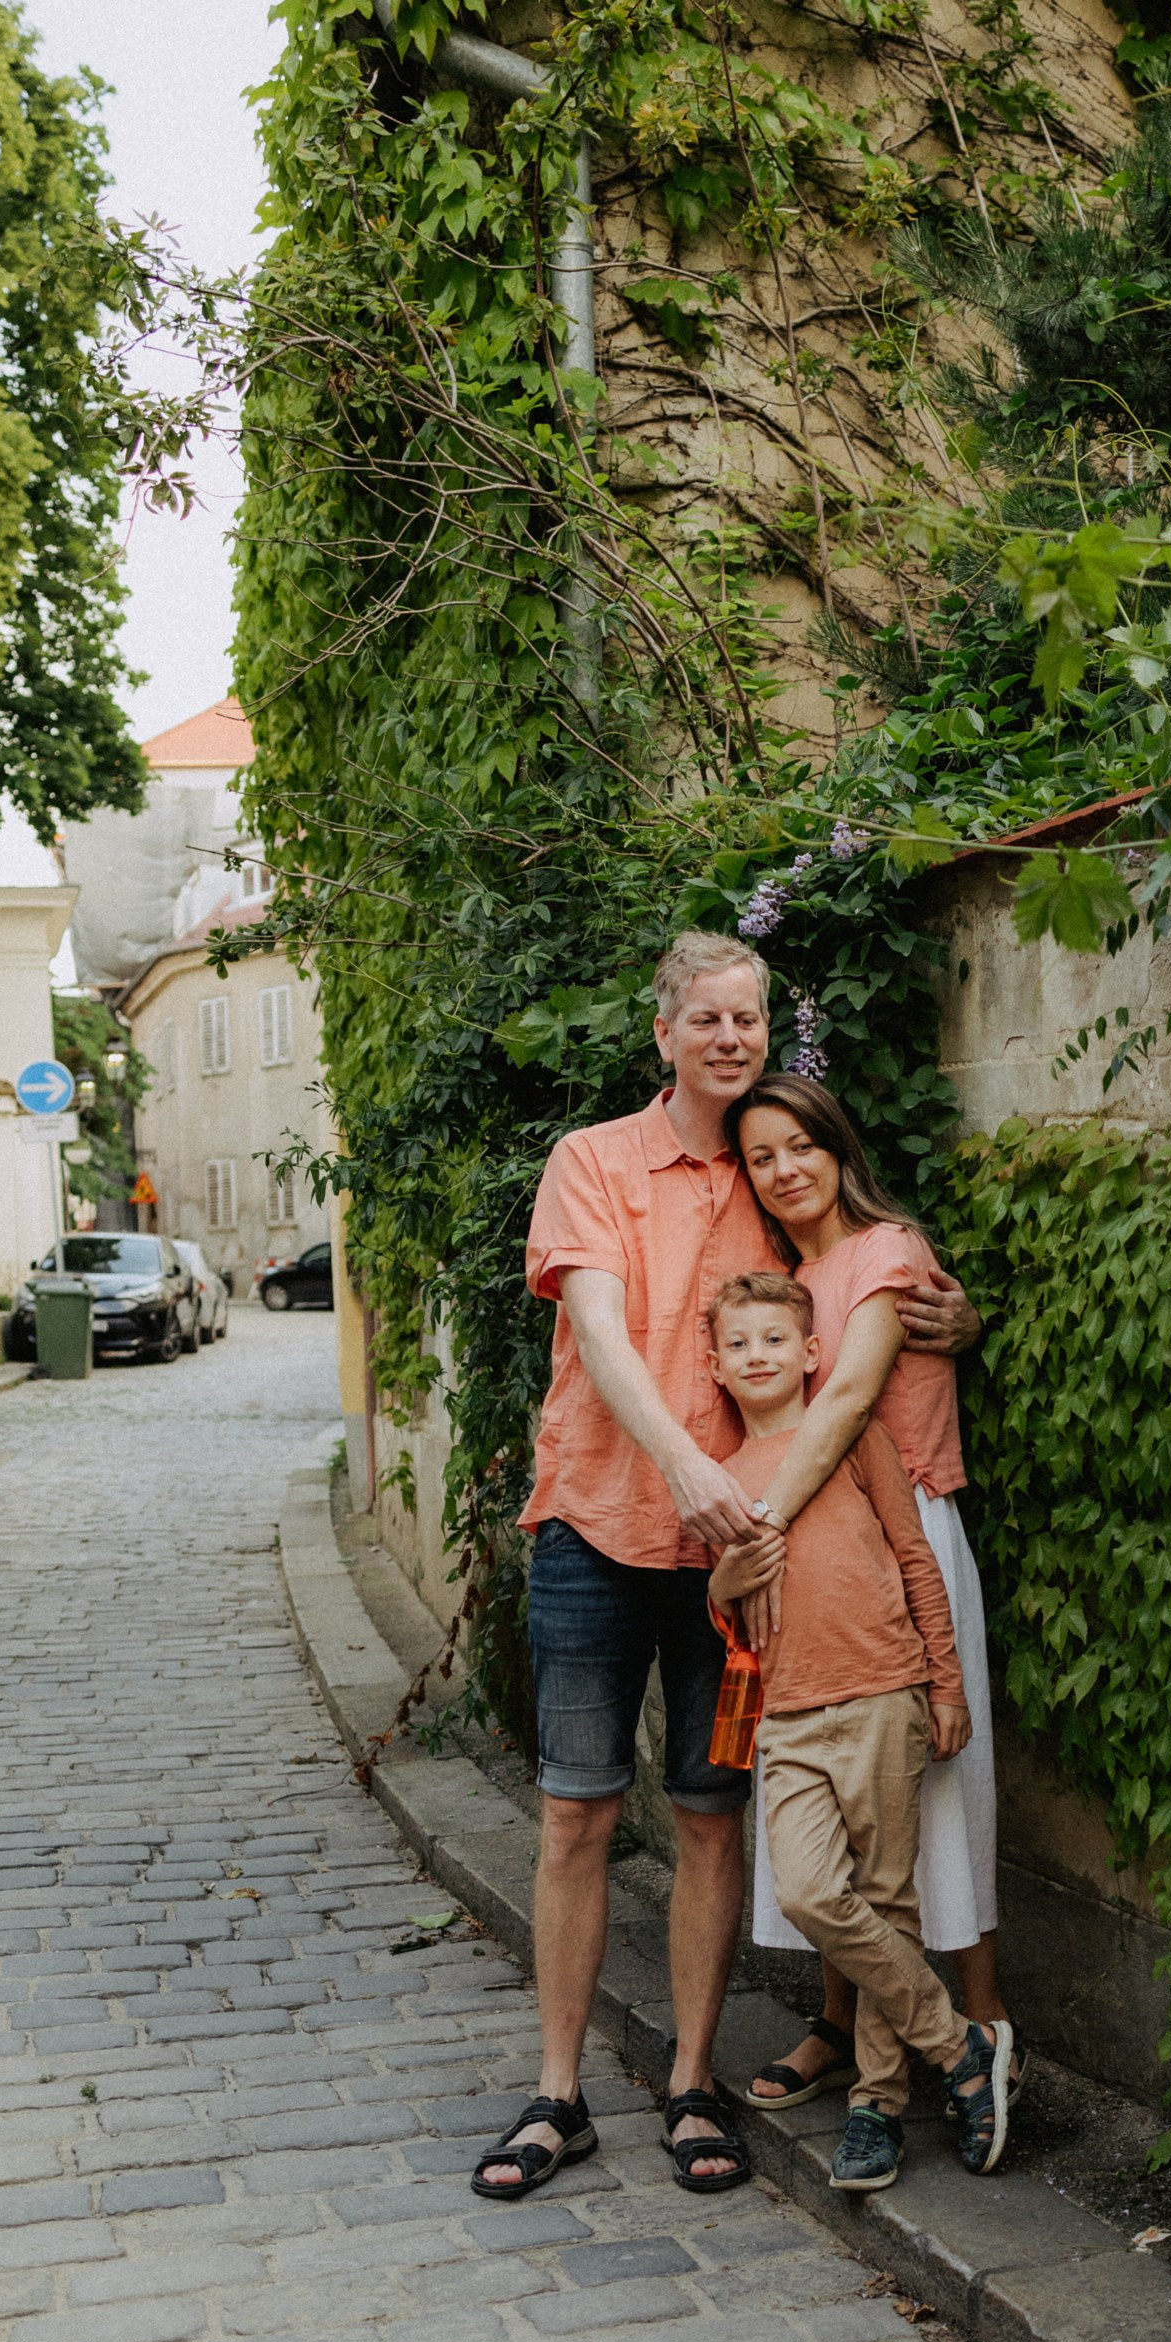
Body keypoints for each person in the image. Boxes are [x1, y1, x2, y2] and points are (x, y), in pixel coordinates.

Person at [470, 931, 978, 2203]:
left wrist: (955, 1316)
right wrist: (684, 1470)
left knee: (710, 1817)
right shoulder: (591, 1161)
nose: (729, 1040)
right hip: (595, 1522)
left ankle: (693, 2079)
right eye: (706, 1019)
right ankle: (557, 2092)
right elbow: (596, 1327)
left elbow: (864, 1275)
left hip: (743, 1558)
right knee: (579, 1811)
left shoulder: (771, 1168)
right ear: (663, 1033)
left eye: (747, 1020)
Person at [713, 1073, 1012, 2117]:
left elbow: (843, 1401)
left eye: (801, 1144)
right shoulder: (781, 1286)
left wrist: (760, 1522)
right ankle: (845, 2029)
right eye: (761, 1156)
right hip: (806, 1548)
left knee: (936, 1798)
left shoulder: (888, 1253)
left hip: (900, 1532)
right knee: (839, 1827)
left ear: (837, 1145)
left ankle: (983, 2027)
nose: (785, 1169)